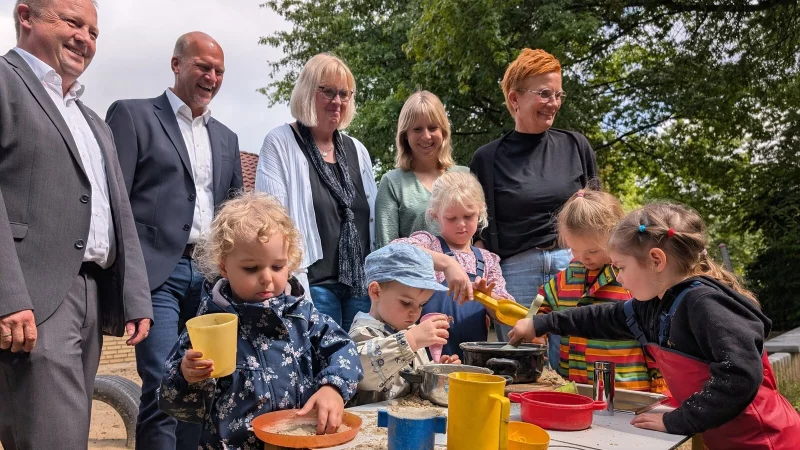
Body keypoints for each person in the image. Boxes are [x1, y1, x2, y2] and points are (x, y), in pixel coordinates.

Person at [509, 202, 800, 449]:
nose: (618, 278)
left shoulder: (704, 305)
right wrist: (539, 323)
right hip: (727, 437)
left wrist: (677, 420)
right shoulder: (654, 305)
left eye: (621, 268)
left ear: (656, 260)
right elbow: (601, 317)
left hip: (767, 439)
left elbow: (739, 376)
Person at [0, 1, 153, 448]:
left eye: (94, 32)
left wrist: (134, 295)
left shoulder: (91, 120)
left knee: (61, 433)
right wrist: (8, 295)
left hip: (90, 291)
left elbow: (117, 209)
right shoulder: (5, 83)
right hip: (34, 292)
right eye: (72, 22)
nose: (85, 38)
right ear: (27, 17)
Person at [105, 32, 242, 449]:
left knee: (205, 385)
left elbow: (233, 214)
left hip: (207, 278)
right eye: (203, 66)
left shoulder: (228, 138)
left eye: (219, 70)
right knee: (165, 382)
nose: (212, 76)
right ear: (177, 64)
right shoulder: (132, 116)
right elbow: (115, 203)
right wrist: (125, 283)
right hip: (156, 275)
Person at [159, 192, 363, 447]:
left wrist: (332, 388)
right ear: (224, 267)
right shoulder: (208, 325)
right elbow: (176, 404)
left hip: (299, 442)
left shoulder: (303, 316)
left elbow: (345, 350)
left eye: (277, 266)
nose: (267, 278)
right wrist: (185, 375)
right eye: (251, 268)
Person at [470, 49, 597, 344]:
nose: (553, 103)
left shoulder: (576, 146)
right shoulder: (486, 159)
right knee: (520, 362)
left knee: (575, 357)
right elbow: (479, 234)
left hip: (573, 268)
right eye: (544, 94)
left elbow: (599, 217)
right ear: (515, 99)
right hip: (515, 273)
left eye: (558, 95)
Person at [256, 53, 376, 332]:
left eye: (344, 94)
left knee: (362, 369)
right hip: (315, 285)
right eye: (328, 91)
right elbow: (271, 219)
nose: (337, 101)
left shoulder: (358, 150)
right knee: (323, 367)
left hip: (359, 286)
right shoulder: (280, 143)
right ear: (308, 92)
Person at [535, 189, 664, 392]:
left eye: (593, 251)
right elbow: (539, 303)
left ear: (615, 237)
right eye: (574, 249)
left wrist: (661, 388)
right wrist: (535, 331)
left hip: (629, 392)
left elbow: (656, 337)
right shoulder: (566, 278)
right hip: (576, 388)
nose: (583, 258)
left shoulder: (631, 279)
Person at [393, 171, 513, 359]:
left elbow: (507, 314)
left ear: (480, 211)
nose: (461, 224)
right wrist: (447, 264)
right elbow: (396, 250)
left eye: (468, 216)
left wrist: (488, 298)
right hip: (426, 361)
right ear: (435, 216)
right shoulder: (429, 243)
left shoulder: (488, 260)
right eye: (452, 218)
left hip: (472, 362)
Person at [349, 243, 461, 406]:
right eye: (406, 302)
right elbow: (361, 373)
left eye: (422, 304)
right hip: (373, 423)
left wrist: (435, 374)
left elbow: (412, 379)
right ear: (376, 292)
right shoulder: (362, 331)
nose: (415, 312)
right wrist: (411, 341)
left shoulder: (410, 330)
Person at [374, 91, 469, 249]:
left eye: (432, 128)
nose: (426, 136)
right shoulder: (392, 183)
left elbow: (481, 236)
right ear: (405, 135)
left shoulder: (465, 176)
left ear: (443, 131)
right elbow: (386, 251)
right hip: (413, 272)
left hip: (466, 273)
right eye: (417, 129)